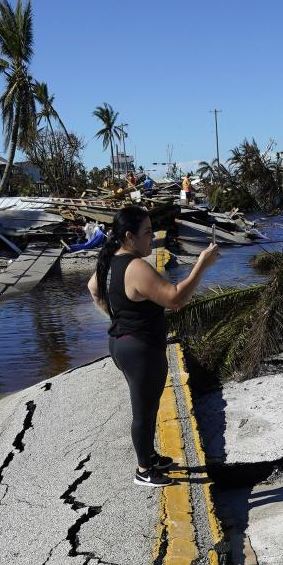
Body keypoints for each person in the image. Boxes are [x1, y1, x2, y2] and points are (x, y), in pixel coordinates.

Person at [90, 204, 221, 487]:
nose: (152, 238)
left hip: (122, 343)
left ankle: (149, 457)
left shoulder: (112, 259)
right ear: (129, 236)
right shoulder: (136, 266)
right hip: (140, 349)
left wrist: (116, 316)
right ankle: (143, 471)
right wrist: (201, 265)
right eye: (147, 232)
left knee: (147, 405)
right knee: (144, 410)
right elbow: (174, 299)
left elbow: (94, 288)